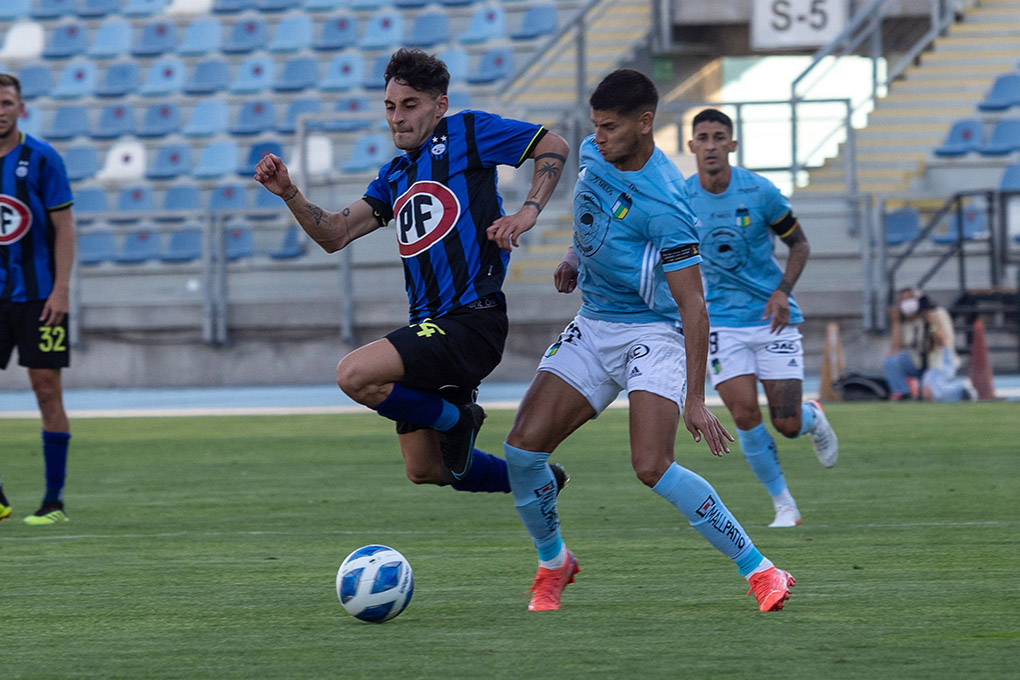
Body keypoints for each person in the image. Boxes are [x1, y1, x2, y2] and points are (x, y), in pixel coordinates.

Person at [502, 70, 795, 614]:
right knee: (521, 452)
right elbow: (591, 215)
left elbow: (693, 305)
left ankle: (761, 569)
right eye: (595, 126)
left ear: (644, 123)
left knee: (652, 466)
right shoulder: (592, 154)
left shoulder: (667, 203)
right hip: (594, 323)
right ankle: (553, 562)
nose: (598, 137)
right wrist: (573, 256)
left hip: (652, 333)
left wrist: (694, 398)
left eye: (609, 127)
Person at [254, 49, 570, 495]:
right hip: (429, 327)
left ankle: (456, 419)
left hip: (471, 320)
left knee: (354, 374)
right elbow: (336, 234)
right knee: (427, 469)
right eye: (389, 106)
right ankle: (537, 482)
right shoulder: (395, 175)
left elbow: (553, 145)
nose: (397, 118)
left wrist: (528, 211)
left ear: (439, 106)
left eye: (409, 105)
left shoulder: (468, 131)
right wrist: (289, 192)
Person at [683, 108, 838, 529]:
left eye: (719, 137)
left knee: (786, 423)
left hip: (771, 319)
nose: (711, 146)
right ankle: (785, 505)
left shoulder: (760, 191)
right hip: (721, 323)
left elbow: (800, 244)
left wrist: (782, 291)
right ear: (692, 145)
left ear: (732, 144)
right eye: (703, 138)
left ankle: (812, 417)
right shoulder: (681, 198)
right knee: (745, 415)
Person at [0, 73, 76, 526]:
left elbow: (65, 227)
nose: (0, 111)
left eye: (6, 103)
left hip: (39, 297)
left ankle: (53, 502)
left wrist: (61, 289)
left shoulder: (42, 158)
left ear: (21, 108)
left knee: (46, 390)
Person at [884, 287, 976, 402]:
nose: (907, 303)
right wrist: (896, 322)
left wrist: (933, 323)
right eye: (903, 300)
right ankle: (903, 395)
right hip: (918, 361)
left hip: (939, 360)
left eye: (910, 299)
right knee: (891, 361)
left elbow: (943, 342)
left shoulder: (936, 314)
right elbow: (896, 347)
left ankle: (961, 388)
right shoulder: (905, 322)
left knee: (927, 394)